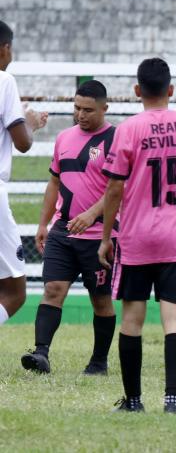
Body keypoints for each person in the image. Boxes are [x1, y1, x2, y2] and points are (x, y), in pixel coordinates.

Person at [98, 58, 176, 415]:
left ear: (137, 91)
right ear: (171, 90)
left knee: (132, 319)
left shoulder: (127, 129)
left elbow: (115, 187)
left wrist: (105, 237)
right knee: (174, 319)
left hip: (137, 238)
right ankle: (173, 399)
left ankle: (133, 401)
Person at [21, 80, 117, 375]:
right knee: (52, 289)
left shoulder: (117, 138)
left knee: (100, 300)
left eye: (88, 109)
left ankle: (99, 362)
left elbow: (119, 188)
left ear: (104, 108)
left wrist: (91, 214)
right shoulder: (63, 138)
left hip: (100, 235)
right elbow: (54, 182)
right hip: (63, 231)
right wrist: (43, 222)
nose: (81, 115)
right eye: (76, 108)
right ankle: (41, 354)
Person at [0, 20, 48, 327]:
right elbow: (22, 142)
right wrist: (30, 122)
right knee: (15, 291)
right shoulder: (4, 81)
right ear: (4, 48)